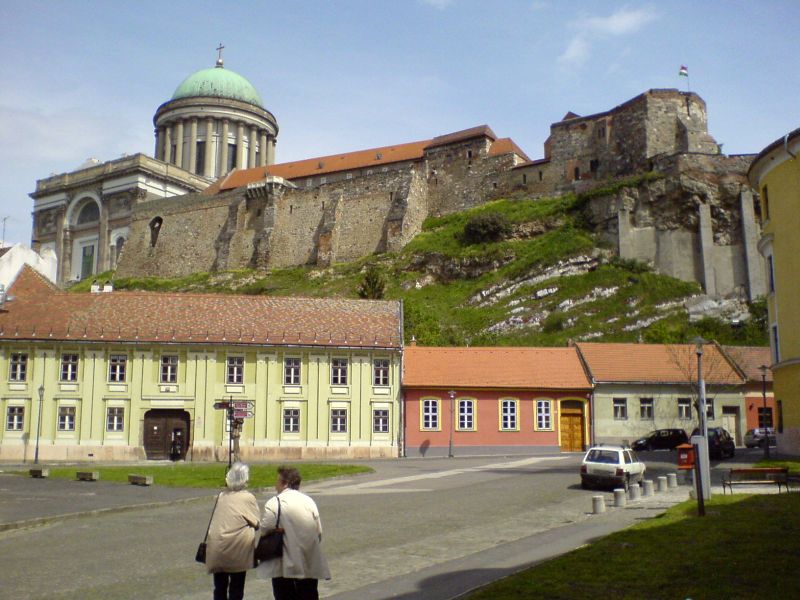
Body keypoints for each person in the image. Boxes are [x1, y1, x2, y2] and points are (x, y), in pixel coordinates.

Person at [257, 465, 331, 600]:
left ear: (284, 483)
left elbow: (265, 529)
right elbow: (318, 531)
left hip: (284, 562)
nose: (275, 485)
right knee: (309, 594)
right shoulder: (309, 501)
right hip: (308, 559)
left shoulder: (274, 503)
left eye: (277, 481)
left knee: (284, 594)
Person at [206, 462, 261, 600]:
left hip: (217, 548)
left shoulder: (221, 496)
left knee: (219, 587)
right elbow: (256, 522)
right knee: (236, 588)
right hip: (237, 549)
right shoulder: (247, 498)